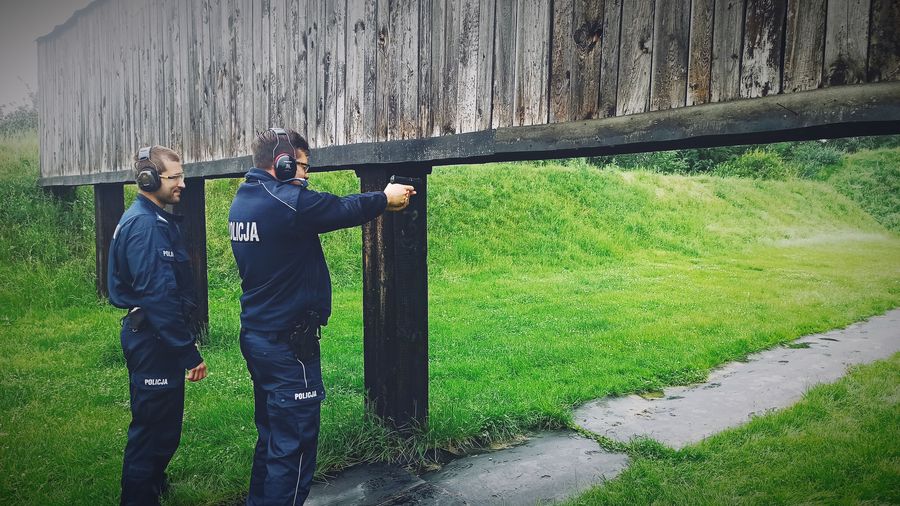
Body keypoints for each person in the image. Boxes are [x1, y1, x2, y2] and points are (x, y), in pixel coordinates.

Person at [229, 128, 413, 505]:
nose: (306, 174)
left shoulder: (246, 200)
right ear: (280, 163)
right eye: (301, 165)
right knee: (293, 448)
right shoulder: (285, 202)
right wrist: (384, 198)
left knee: (272, 439)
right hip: (287, 346)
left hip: (262, 336)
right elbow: (336, 208)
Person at [108, 145, 209, 505]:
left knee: (163, 428)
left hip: (155, 337)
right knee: (152, 432)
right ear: (149, 180)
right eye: (175, 177)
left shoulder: (154, 218)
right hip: (153, 339)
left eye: (182, 175)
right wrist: (188, 353)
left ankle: (151, 487)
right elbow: (159, 297)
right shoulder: (146, 227)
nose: (182, 183)